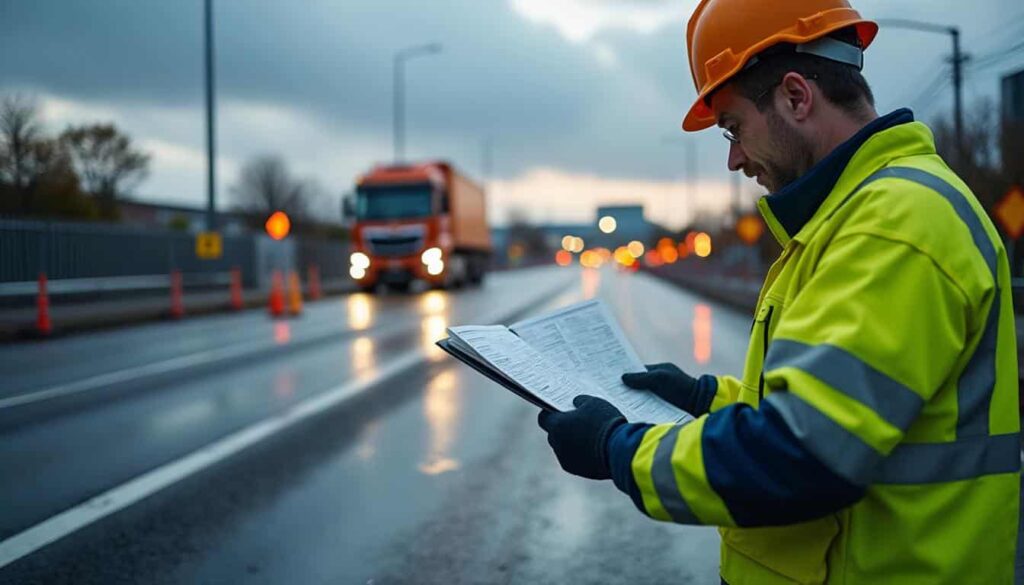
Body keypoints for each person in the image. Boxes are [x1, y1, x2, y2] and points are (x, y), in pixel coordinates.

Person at [536, 1, 1022, 583]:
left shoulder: (891, 226)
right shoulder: (852, 220)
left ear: (796, 97)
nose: (734, 158)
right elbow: (837, 410)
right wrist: (703, 398)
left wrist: (619, 448)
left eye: (734, 128)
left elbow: (802, 454)